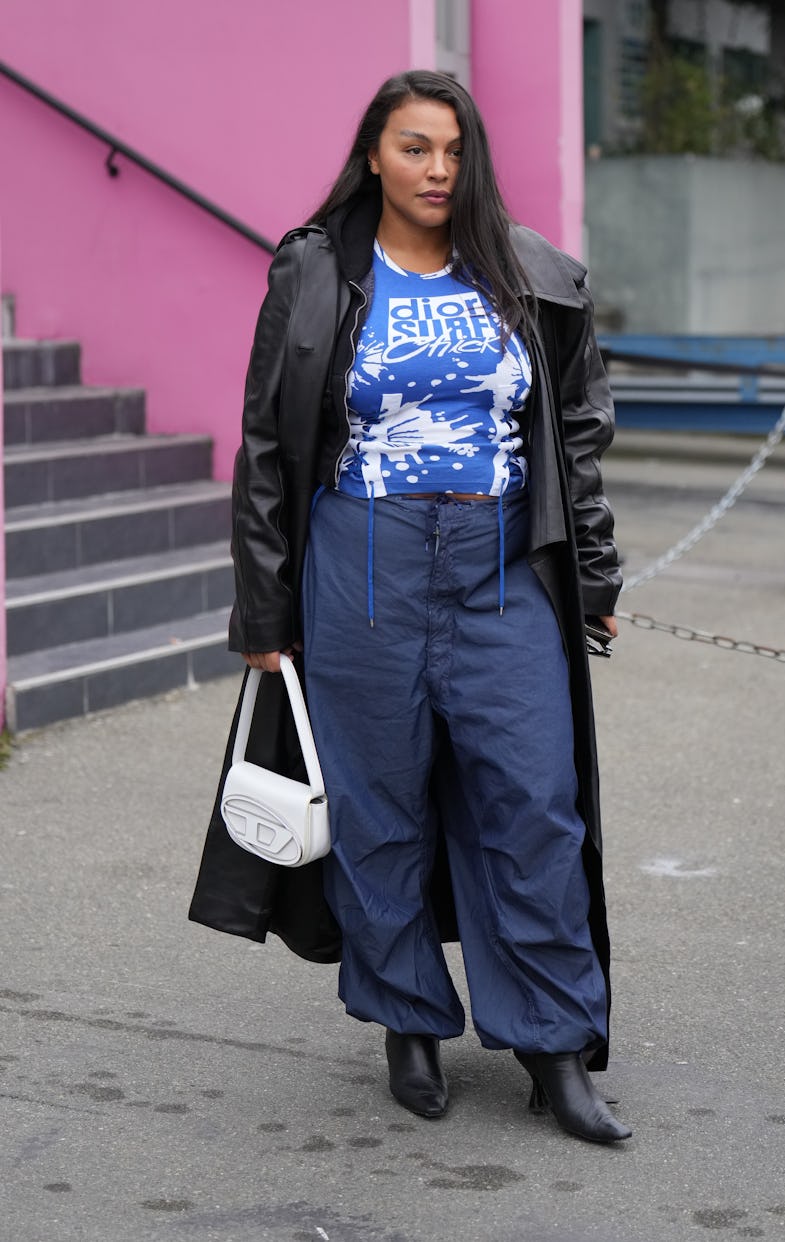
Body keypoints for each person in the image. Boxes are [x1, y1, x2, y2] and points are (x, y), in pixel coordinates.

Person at [189, 70, 630, 1144]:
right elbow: (263, 445)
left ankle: (554, 1045)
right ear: (375, 155)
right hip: (364, 559)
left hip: (498, 562)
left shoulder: (529, 276)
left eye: (454, 150)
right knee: (380, 806)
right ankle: (406, 1020)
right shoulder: (317, 270)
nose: (438, 169)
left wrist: (598, 575)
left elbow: (576, 431)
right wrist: (264, 610)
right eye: (415, 147)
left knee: (535, 803)